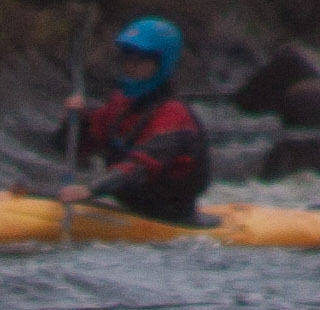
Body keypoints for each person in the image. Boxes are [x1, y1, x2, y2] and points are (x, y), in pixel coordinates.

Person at [64, 16, 211, 225]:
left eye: (141, 59)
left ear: (162, 63)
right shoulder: (120, 105)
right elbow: (70, 147)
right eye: (127, 56)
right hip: (129, 207)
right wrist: (76, 119)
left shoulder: (174, 116)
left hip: (169, 216)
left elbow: (140, 169)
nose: (131, 65)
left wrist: (91, 189)